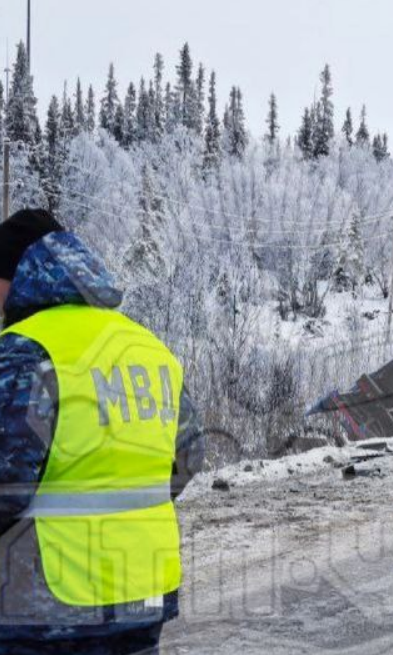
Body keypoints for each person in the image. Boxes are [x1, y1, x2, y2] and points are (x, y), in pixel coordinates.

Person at [0, 210, 203, 653]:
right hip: (144, 589)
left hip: (50, 600)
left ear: (16, 276)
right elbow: (188, 459)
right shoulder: (147, 347)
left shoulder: (24, 351)